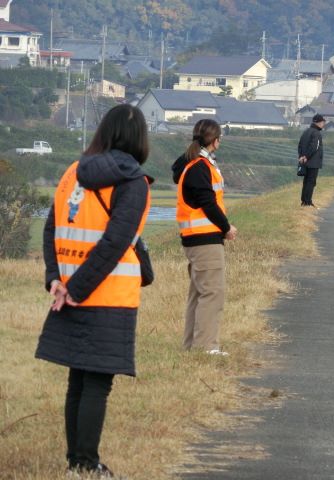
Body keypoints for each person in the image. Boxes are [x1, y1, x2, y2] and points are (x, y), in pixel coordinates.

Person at [35, 105, 152, 477]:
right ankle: (85, 463)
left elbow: (51, 230)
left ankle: (76, 460)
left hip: (69, 291)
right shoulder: (133, 183)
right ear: (138, 139)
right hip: (108, 296)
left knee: (78, 381)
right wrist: (77, 289)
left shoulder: (72, 172)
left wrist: (57, 280)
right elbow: (114, 244)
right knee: (97, 384)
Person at [175, 119, 238, 357]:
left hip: (195, 238)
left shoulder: (192, 163)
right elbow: (208, 203)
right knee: (212, 292)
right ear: (215, 140)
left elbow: (175, 170)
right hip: (205, 238)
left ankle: (193, 344)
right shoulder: (200, 166)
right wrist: (226, 228)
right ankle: (206, 346)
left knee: (199, 293)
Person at [298, 113, 325, 207]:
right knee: (311, 182)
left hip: (305, 161)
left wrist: (301, 156)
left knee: (306, 181)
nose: (323, 124)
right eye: (322, 122)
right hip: (313, 162)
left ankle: (304, 201)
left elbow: (300, 145)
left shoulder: (306, 131)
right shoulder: (316, 133)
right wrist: (306, 156)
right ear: (318, 123)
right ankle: (308, 202)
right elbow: (315, 147)